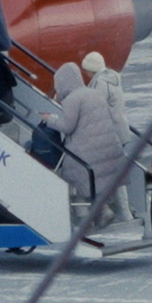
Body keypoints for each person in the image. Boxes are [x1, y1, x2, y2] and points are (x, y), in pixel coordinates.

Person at [45, 62, 132, 223]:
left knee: (72, 176)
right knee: (101, 178)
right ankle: (114, 211)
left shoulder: (72, 99)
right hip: (107, 148)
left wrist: (49, 120)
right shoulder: (93, 93)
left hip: (86, 151)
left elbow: (67, 126)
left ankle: (83, 217)